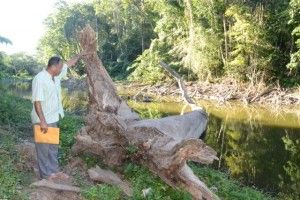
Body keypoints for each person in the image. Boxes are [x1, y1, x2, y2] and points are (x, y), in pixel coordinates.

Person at [31, 53, 83, 181]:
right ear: (53, 67)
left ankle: (54, 171)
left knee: (53, 147)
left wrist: (79, 55)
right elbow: (37, 101)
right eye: (60, 68)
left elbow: (68, 64)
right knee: (43, 149)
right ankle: (46, 176)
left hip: (53, 118)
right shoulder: (40, 79)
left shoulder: (56, 76)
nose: (62, 70)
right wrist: (42, 121)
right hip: (42, 120)